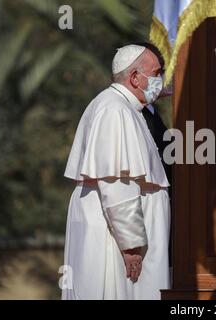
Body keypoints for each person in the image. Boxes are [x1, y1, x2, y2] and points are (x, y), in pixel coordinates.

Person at [62, 44, 170, 300]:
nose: (160, 80)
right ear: (134, 77)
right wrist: (130, 244)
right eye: (156, 73)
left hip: (121, 233)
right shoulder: (114, 110)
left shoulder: (124, 107)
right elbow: (116, 182)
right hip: (119, 239)